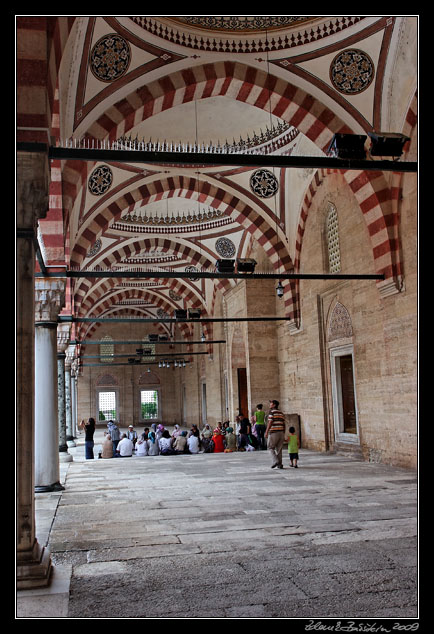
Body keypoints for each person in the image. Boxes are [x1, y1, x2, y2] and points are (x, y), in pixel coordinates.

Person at [265, 400, 286, 469]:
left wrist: (267, 431)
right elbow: (284, 423)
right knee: (279, 449)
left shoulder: (272, 412)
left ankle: (275, 461)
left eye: (271, 403)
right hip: (281, 432)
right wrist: (283, 433)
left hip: (274, 432)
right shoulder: (281, 413)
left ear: (274, 405)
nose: (270, 404)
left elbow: (270, 422)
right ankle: (280, 464)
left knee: (270, 447)